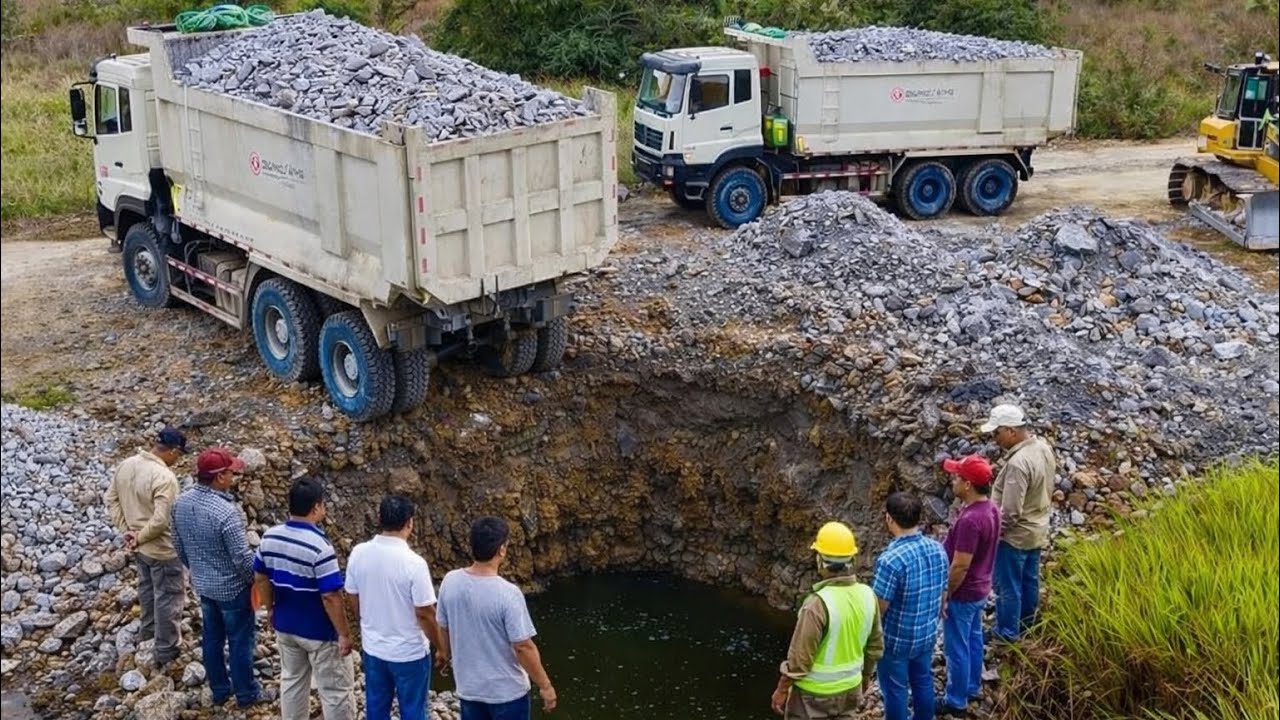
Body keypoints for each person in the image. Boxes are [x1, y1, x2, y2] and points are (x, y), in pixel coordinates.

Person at [253, 477, 355, 720]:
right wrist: (343, 633)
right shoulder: (320, 547)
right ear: (316, 507)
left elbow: (260, 577)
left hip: (286, 625)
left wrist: (271, 609)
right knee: (335, 691)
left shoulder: (270, 537)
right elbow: (330, 595)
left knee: (292, 681)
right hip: (319, 632)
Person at [173, 447, 266, 708]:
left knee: (212, 639)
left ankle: (220, 690)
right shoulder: (226, 512)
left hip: (204, 585)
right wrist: (255, 581)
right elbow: (241, 558)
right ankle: (246, 694)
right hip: (232, 590)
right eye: (231, 472)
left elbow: (178, 545)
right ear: (219, 476)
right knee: (240, 642)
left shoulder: (181, 502)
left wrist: (196, 569)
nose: (234, 477)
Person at [437, 517, 557, 720]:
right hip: (507, 694)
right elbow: (523, 647)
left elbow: (443, 626)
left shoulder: (450, 581)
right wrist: (545, 686)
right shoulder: (508, 593)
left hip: (469, 689)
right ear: (501, 549)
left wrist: (445, 654)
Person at [771, 521, 884, 719]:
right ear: (852, 559)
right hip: (851, 689)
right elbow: (875, 647)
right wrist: (865, 678)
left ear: (821, 562)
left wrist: (781, 689)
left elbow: (800, 661)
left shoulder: (817, 605)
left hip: (813, 696)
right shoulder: (868, 595)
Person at [344, 495, 442, 720]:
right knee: (413, 710)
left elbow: (352, 595)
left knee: (376, 709)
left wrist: (365, 622)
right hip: (409, 653)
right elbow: (425, 613)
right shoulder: (414, 563)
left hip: (374, 648)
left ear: (379, 518)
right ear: (410, 523)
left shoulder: (359, 553)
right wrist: (442, 647)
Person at [105, 427, 187, 668]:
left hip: (139, 547)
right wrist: (139, 537)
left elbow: (111, 499)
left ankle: (148, 633)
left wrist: (127, 531)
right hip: (162, 549)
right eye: (179, 455)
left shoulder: (126, 465)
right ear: (173, 451)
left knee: (147, 589)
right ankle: (166, 649)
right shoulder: (164, 478)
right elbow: (162, 520)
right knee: (168, 596)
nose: (178, 460)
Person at [981, 404, 1056, 642]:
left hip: (1015, 537)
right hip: (1037, 528)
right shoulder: (1043, 448)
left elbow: (1011, 511)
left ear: (1011, 431)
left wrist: (994, 533)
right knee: (1029, 580)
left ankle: (1007, 633)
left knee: (1008, 586)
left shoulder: (1017, 464)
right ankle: (1027, 625)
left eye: (997, 433)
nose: (994, 439)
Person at [873, 493, 949, 720]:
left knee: (895, 689)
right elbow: (943, 591)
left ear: (889, 519)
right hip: (926, 633)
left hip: (896, 639)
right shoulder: (938, 549)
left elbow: (879, 607)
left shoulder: (890, 560)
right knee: (923, 679)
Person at [938, 455, 1001, 717]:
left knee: (956, 648)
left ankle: (956, 700)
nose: (952, 480)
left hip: (964, 592)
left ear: (967, 484)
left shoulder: (970, 520)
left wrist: (946, 593)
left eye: (957, 476)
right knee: (973, 638)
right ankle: (973, 686)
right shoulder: (991, 509)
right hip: (981, 588)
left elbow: (960, 565)